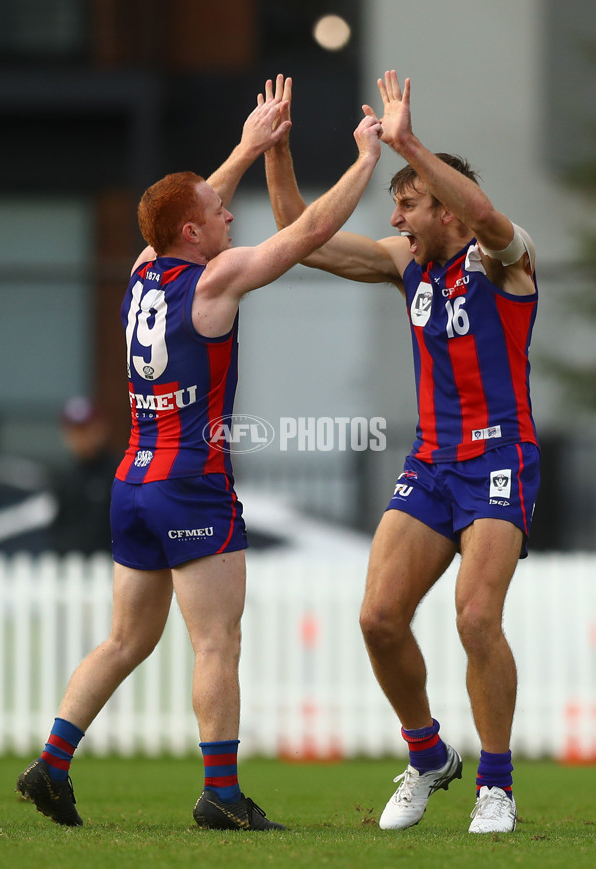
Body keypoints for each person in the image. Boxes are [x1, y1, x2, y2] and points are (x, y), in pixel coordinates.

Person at [16, 76, 382, 831]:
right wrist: (368, 162)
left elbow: (183, 209)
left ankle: (52, 761)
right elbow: (308, 233)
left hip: (134, 477)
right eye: (217, 214)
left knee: (125, 639)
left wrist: (250, 147)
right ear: (194, 233)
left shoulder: (144, 269)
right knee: (216, 640)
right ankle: (220, 791)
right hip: (191, 481)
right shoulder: (213, 282)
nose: (226, 213)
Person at [264, 70, 540, 834]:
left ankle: (497, 784)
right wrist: (278, 151)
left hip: (497, 457)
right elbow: (299, 232)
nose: (397, 217)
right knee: (379, 617)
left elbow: (486, 215)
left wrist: (408, 138)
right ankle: (427, 756)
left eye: (408, 203)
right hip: (431, 462)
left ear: (445, 209)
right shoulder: (406, 263)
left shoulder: (502, 259)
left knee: (476, 617)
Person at [50, 397, 120, 555]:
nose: (81, 438)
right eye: (74, 431)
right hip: (70, 568)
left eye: (86, 429)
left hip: (111, 565)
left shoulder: (120, 473)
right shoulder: (63, 477)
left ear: (100, 429)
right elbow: (57, 527)